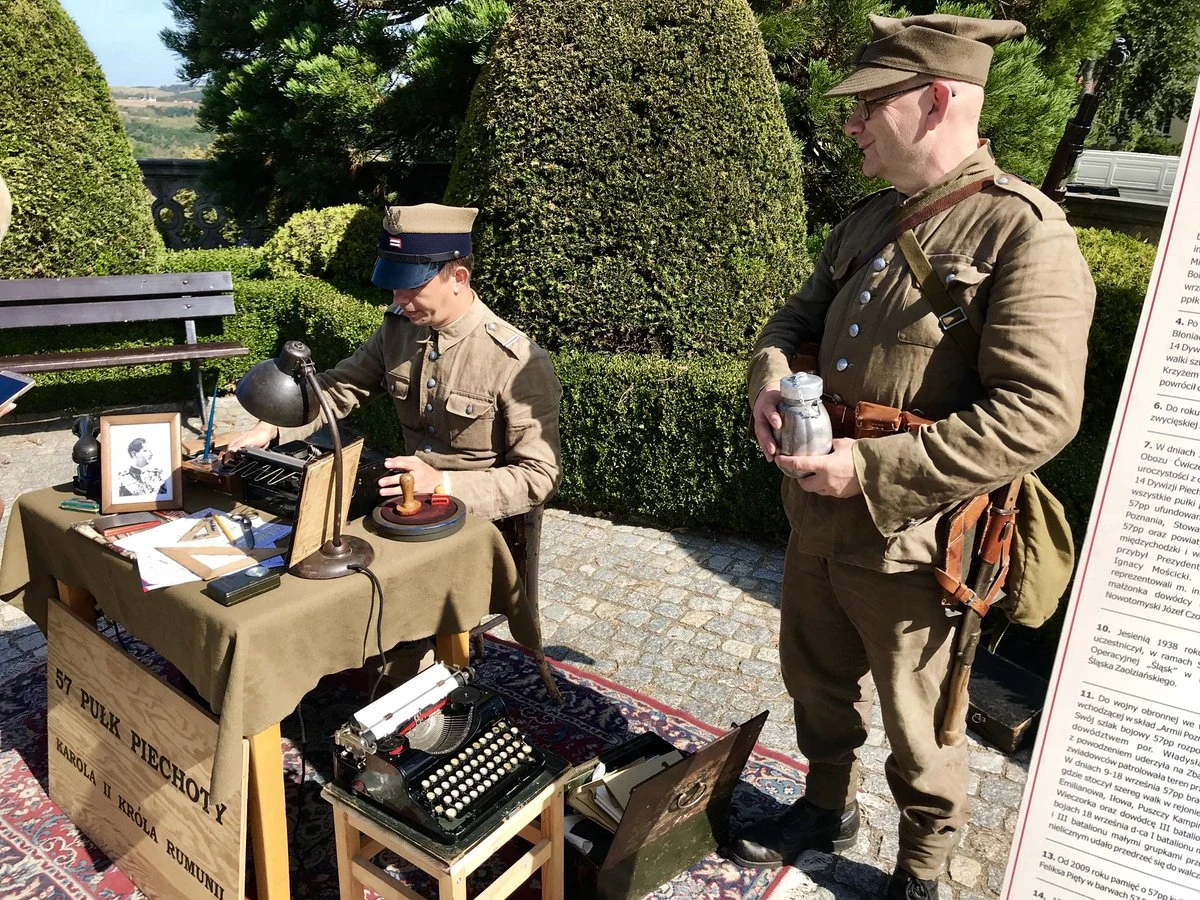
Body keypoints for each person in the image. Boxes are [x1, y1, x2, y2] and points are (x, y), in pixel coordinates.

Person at [732, 14, 1095, 899]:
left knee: (921, 722)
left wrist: (871, 469)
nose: (849, 124)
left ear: (935, 102)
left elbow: (1041, 413)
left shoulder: (1023, 233)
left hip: (921, 539)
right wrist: (771, 379)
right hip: (816, 516)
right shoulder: (866, 223)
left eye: (868, 106)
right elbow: (793, 321)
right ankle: (823, 807)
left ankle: (921, 870)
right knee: (814, 684)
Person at [229, 203, 562, 523]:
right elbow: (341, 387)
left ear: (458, 278)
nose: (398, 299)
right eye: (394, 286)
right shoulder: (398, 329)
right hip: (403, 504)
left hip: (475, 520)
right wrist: (271, 428)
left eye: (413, 286)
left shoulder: (516, 361)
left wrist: (443, 484)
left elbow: (540, 475)